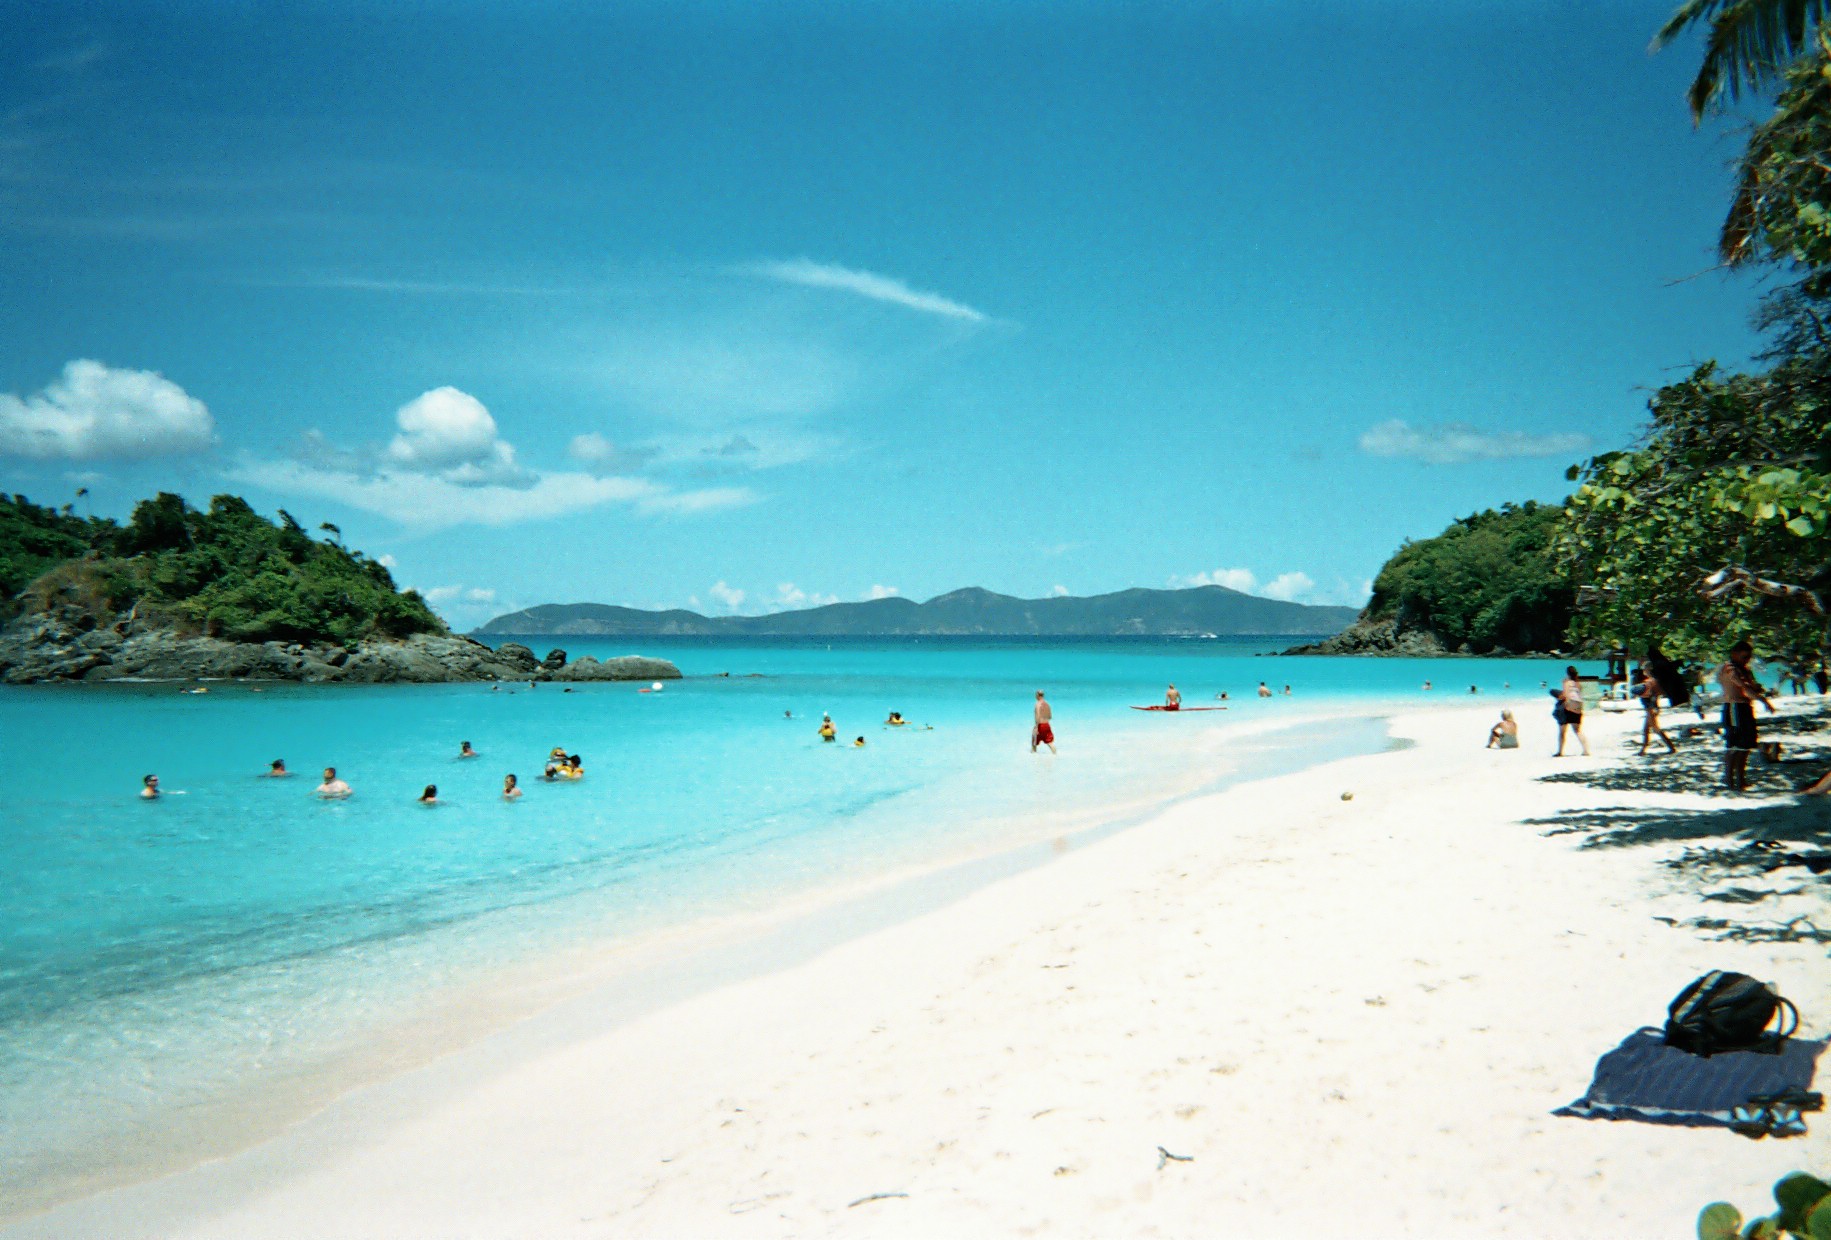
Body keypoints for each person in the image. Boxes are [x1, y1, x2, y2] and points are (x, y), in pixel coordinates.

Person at [1718, 639, 1776, 792]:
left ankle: (1741, 779)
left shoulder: (1744, 669)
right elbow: (1744, 688)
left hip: (1745, 707)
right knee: (1734, 746)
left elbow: (1750, 687)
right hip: (1734, 707)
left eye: (1749, 657)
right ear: (1734, 654)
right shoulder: (1729, 669)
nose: (1747, 660)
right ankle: (1729, 779)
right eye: (1744, 657)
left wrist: (1756, 689)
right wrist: (1764, 701)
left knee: (1745, 745)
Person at [1636, 660, 1678, 756]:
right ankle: (1643, 749)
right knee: (1646, 729)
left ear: (1648, 669)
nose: (1643, 670)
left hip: (1651, 708)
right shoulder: (1654, 680)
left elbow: (1652, 695)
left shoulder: (1651, 681)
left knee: (1655, 729)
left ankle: (1671, 747)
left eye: (1644, 669)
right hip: (1651, 707)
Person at [1555, 666, 1589, 757]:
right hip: (1578, 707)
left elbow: (1566, 695)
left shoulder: (1566, 682)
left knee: (1562, 732)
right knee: (1578, 731)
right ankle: (1586, 750)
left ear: (1567, 673)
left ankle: (1560, 752)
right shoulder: (1578, 684)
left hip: (1569, 708)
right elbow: (1578, 694)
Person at [1032, 690, 1056, 754]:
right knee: (1049, 742)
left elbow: (1037, 716)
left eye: (1036, 695)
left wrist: (1036, 727)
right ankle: (1056, 755)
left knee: (1034, 741)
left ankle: (1033, 758)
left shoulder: (1037, 704)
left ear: (1038, 695)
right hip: (1047, 725)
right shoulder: (1047, 704)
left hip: (1040, 725)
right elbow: (1050, 716)